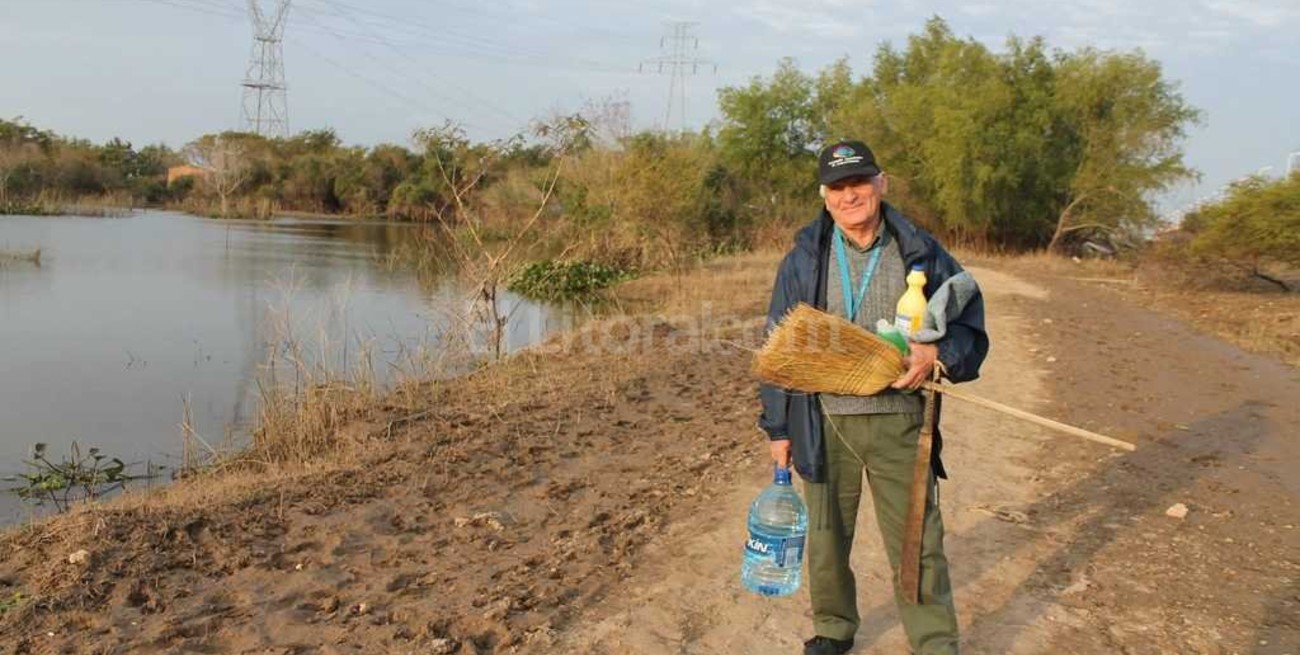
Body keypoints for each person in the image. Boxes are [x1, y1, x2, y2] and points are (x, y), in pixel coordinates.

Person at [758, 140, 989, 655]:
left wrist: (937, 353)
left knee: (917, 541)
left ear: (881, 184)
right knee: (825, 539)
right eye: (837, 187)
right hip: (824, 421)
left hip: (902, 421)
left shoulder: (920, 250)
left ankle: (933, 641)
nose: (849, 195)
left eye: (858, 182)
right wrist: (777, 428)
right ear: (824, 196)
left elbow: (969, 318)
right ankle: (835, 629)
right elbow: (778, 347)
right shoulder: (803, 259)